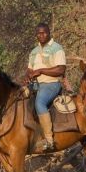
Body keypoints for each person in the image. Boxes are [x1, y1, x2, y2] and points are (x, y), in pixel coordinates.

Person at [27, 22, 67, 151]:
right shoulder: (34, 52)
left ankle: (49, 141)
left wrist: (41, 71)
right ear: (36, 35)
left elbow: (61, 69)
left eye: (44, 32)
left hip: (51, 83)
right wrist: (28, 76)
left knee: (40, 103)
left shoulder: (57, 48)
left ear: (49, 33)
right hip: (35, 85)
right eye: (39, 33)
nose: (41, 35)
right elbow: (29, 69)